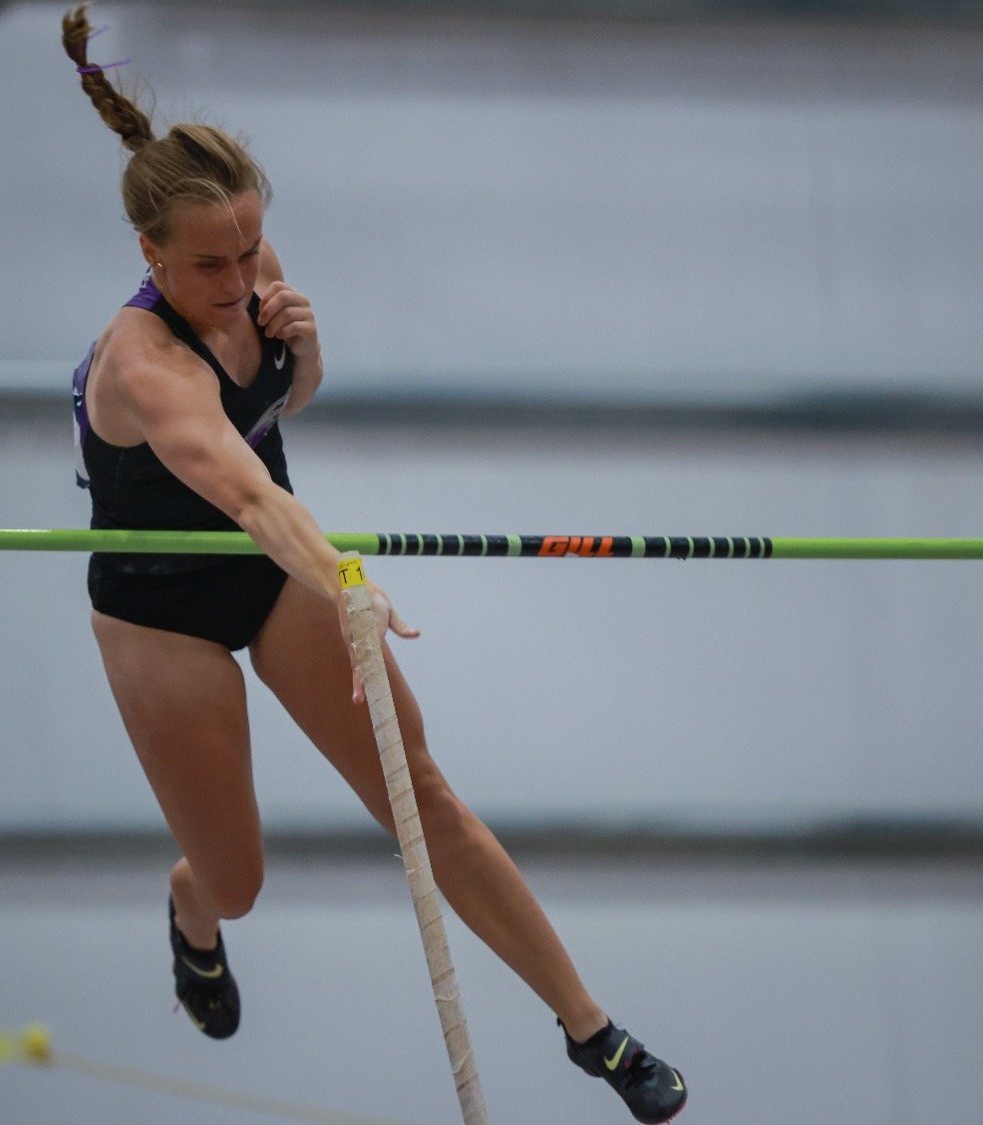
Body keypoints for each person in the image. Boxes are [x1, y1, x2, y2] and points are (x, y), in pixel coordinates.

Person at [61, 8, 685, 1121]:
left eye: (249, 248)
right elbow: (248, 495)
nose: (236, 273)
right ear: (148, 255)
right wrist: (347, 581)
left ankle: (591, 1031)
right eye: (208, 263)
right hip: (160, 612)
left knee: (423, 799)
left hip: (274, 571)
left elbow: (282, 411)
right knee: (237, 880)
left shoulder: (252, 270)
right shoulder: (143, 359)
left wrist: (305, 346)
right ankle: (189, 909)